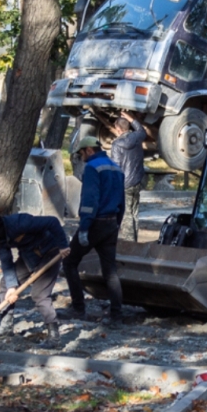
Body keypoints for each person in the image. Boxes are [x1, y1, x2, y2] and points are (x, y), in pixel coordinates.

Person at [0, 209, 70, 338]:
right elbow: (6, 261)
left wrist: (63, 245)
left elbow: (52, 222)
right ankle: (6, 327)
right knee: (5, 285)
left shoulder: (20, 222)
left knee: (39, 294)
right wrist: (12, 287)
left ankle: (54, 335)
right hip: (29, 256)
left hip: (50, 253)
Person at [62, 136, 125, 321]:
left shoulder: (92, 167)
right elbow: (122, 201)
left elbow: (90, 200)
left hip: (95, 223)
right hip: (111, 222)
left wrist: (84, 227)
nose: (81, 158)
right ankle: (116, 314)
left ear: (89, 150)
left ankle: (78, 309)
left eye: (81, 153)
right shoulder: (116, 167)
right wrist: (117, 224)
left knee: (69, 262)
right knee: (110, 272)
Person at [110, 111, 146, 242]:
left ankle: (129, 243)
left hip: (124, 184)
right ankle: (135, 240)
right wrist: (132, 119)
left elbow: (115, 166)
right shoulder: (137, 137)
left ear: (118, 129)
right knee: (135, 212)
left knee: (126, 215)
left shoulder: (116, 144)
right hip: (137, 180)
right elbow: (142, 130)